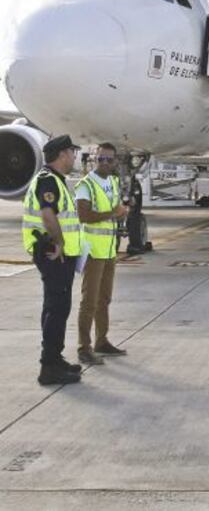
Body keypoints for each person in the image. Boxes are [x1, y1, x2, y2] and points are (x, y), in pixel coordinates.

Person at [22, 135, 82, 385]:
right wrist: (59, 243)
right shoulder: (48, 181)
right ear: (62, 154)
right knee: (56, 308)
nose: (74, 156)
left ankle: (55, 359)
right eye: (72, 152)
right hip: (52, 252)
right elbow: (48, 215)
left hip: (59, 255)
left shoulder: (56, 180)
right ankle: (49, 367)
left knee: (58, 307)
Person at [75, 143, 128, 364]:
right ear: (93, 160)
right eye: (100, 159)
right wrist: (112, 214)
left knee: (104, 298)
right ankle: (83, 347)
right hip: (93, 251)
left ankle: (101, 340)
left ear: (115, 161)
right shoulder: (85, 184)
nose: (104, 163)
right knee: (89, 300)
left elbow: (115, 210)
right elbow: (84, 215)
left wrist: (122, 212)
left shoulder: (114, 182)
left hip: (108, 249)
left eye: (108, 159)